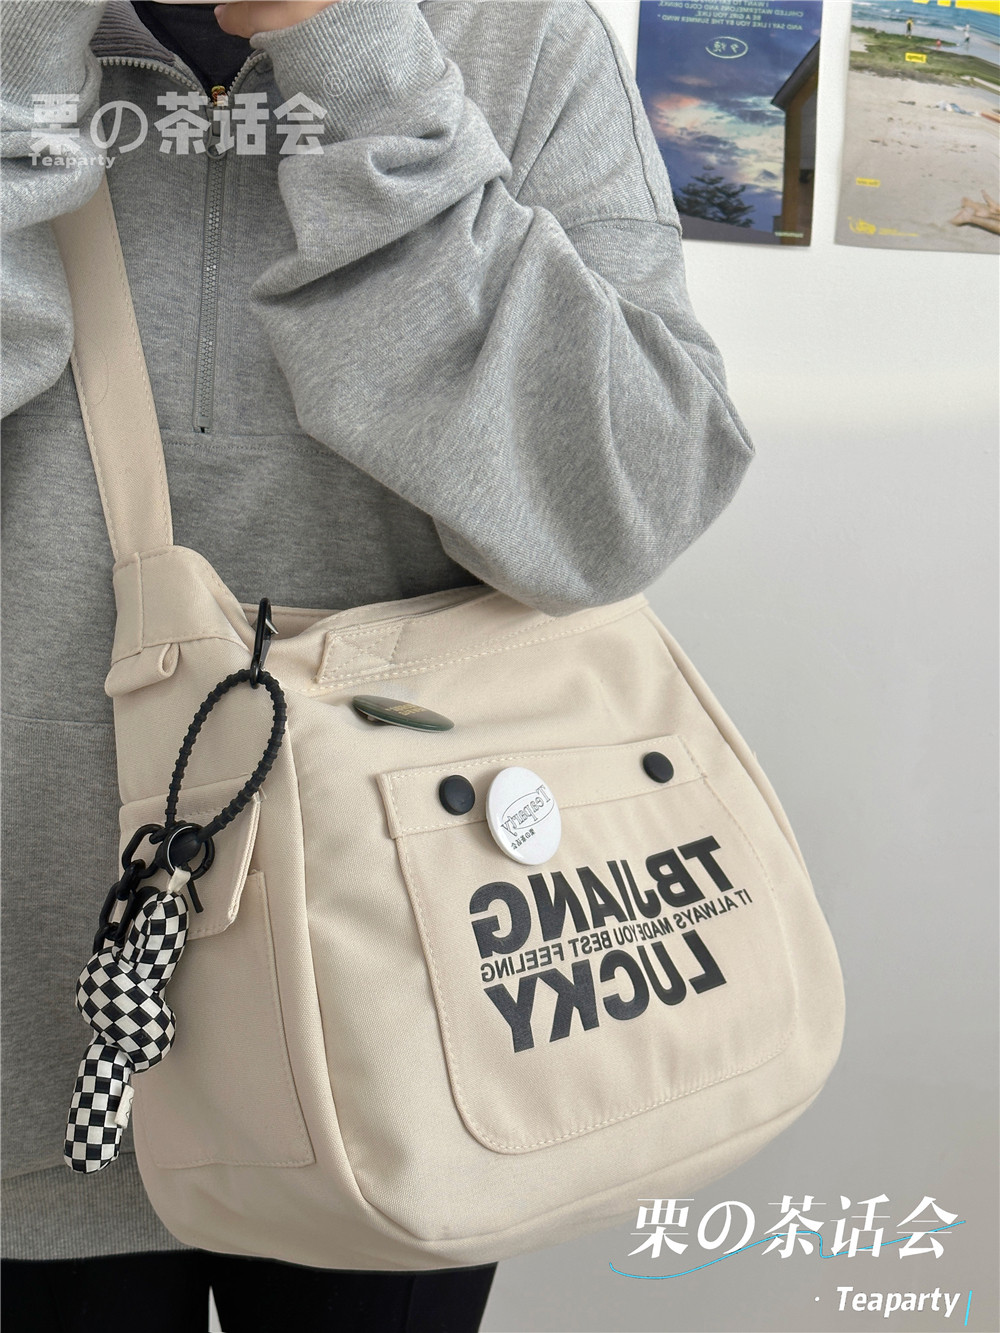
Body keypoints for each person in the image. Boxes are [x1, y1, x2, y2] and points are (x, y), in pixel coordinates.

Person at [0, 0, 754, 1328]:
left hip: (414, 1000)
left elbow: (620, 506)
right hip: (24, 1001)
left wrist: (357, 65)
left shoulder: (519, 42)